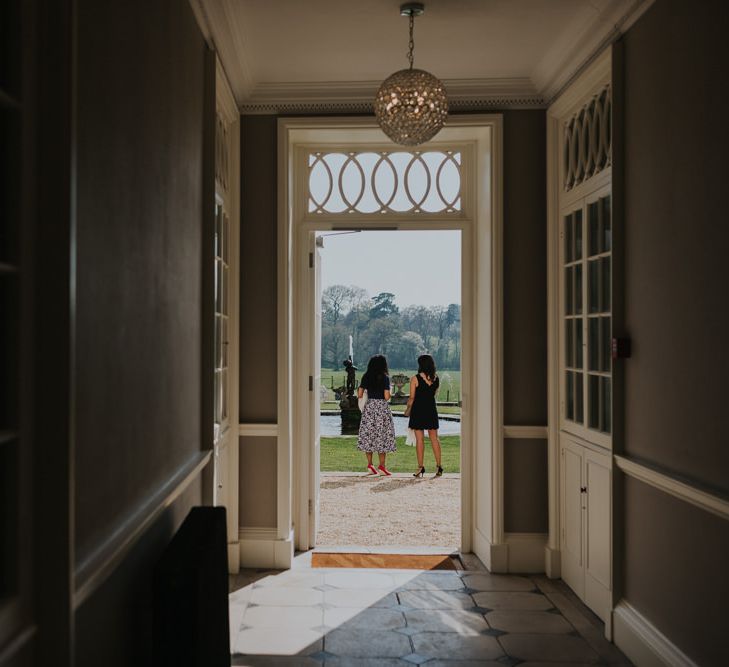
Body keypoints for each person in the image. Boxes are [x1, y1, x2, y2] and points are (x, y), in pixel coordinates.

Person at [357, 354, 396, 476]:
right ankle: (382, 466)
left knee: (369, 435)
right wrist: (391, 390)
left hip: (369, 407)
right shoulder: (384, 377)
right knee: (382, 435)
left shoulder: (366, 376)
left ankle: (370, 464)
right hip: (381, 408)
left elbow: (359, 394)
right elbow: (386, 396)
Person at [406, 354, 443, 478]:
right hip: (431, 410)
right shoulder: (436, 378)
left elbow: (412, 397)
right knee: (434, 438)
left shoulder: (415, 379)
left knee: (420, 440)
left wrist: (407, 410)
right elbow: (434, 394)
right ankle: (439, 466)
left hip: (418, 410)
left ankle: (420, 467)